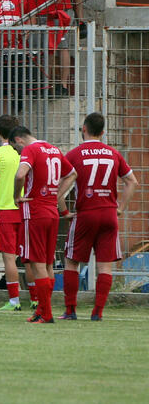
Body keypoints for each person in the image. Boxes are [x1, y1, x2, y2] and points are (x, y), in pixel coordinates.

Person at [60, 112, 139, 320]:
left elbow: (61, 181)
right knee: (105, 265)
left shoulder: (75, 154)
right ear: (103, 132)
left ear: (83, 129)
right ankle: (98, 312)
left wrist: (63, 209)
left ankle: (70, 310)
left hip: (86, 213)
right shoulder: (113, 153)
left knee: (72, 261)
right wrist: (120, 206)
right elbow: (132, 182)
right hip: (109, 214)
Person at [11, 125, 77, 323]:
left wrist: (17, 196)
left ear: (18, 140)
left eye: (15, 148)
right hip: (51, 212)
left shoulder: (31, 150)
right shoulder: (53, 149)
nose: (18, 152)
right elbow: (72, 173)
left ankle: (47, 314)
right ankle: (41, 310)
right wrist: (56, 195)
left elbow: (20, 174)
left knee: (36, 263)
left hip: (35, 212)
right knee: (47, 263)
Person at [0, 114, 25, 311]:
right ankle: (36, 299)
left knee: (9, 258)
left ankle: (14, 301)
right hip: (26, 209)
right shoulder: (26, 152)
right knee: (30, 257)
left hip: (6, 209)